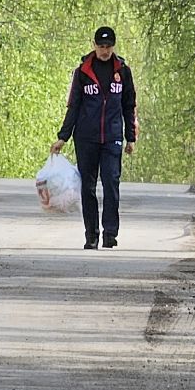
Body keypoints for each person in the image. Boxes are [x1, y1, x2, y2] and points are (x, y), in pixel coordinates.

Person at [51, 25, 137, 249]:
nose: (104, 51)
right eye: (101, 46)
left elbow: (129, 105)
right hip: (86, 138)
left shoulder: (123, 72)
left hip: (112, 137)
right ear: (94, 45)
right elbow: (74, 106)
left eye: (108, 46)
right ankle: (91, 235)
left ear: (113, 47)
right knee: (87, 187)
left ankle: (110, 233)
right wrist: (63, 137)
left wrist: (131, 137)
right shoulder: (83, 72)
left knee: (111, 183)